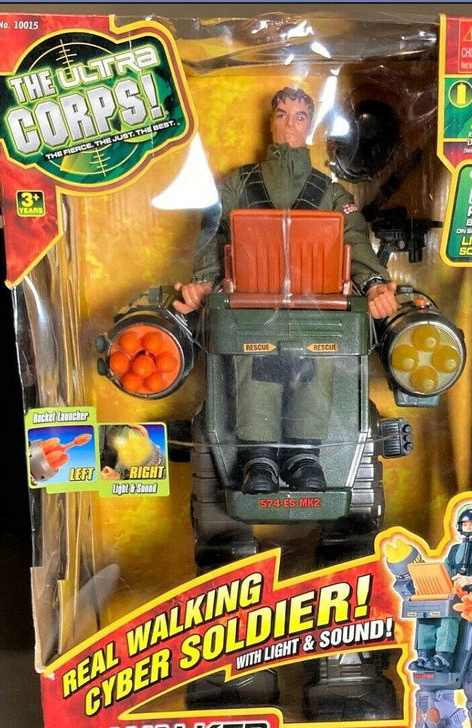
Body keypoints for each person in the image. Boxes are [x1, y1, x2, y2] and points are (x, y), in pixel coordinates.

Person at [172, 87, 397, 494]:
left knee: (314, 370)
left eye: (299, 117)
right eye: (281, 115)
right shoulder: (237, 184)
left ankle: (304, 455)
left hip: (318, 311)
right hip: (251, 310)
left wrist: (376, 283)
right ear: (271, 122)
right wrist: (203, 282)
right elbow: (213, 236)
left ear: (310, 126)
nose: (289, 124)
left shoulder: (330, 192)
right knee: (255, 369)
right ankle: (258, 456)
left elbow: (355, 240)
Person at [410, 506, 472, 672]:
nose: (468, 527)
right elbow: (444, 573)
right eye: (465, 524)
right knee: (425, 615)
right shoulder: (454, 551)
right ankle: (424, 655)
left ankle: (443, 657)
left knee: (449, 615)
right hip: (452, 594)